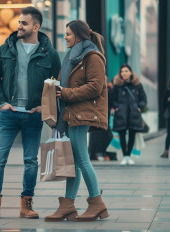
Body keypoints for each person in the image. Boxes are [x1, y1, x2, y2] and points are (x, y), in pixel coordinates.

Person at [0, 7, 61, 219]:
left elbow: (55, 86)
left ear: (36, 27)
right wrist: (1, 103)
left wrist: (44, 108)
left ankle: (26, 204)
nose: (19, 26)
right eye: (19, 22)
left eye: (24, 23)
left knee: (31, 161)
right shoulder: (5, 49)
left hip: (32, 115)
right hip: (8, 113)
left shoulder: (50, 55)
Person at [44, 20, 109, 222]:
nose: (65, 37)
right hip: (72, 114)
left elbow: (95, 87)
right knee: (74, 161)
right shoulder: (73, 57)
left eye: (68, 34)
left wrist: (65, 92)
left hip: (83, 114)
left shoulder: (92, 57)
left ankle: (97, 203)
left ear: (79, 36)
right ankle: (68, 205)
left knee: (82, 159)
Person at [112, 64, 147, 165]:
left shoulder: (137, 85)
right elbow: (111, 98)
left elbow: (143, 98)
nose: (124, 73)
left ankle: (128, 156)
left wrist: (139, 106)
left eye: (126, 71)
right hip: (121, 114)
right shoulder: (117, 85)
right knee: (122, 134)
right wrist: (115, 106)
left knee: (132, 134)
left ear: (131, 72)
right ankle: (125, 156)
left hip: (133, 114)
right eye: (122, 71)